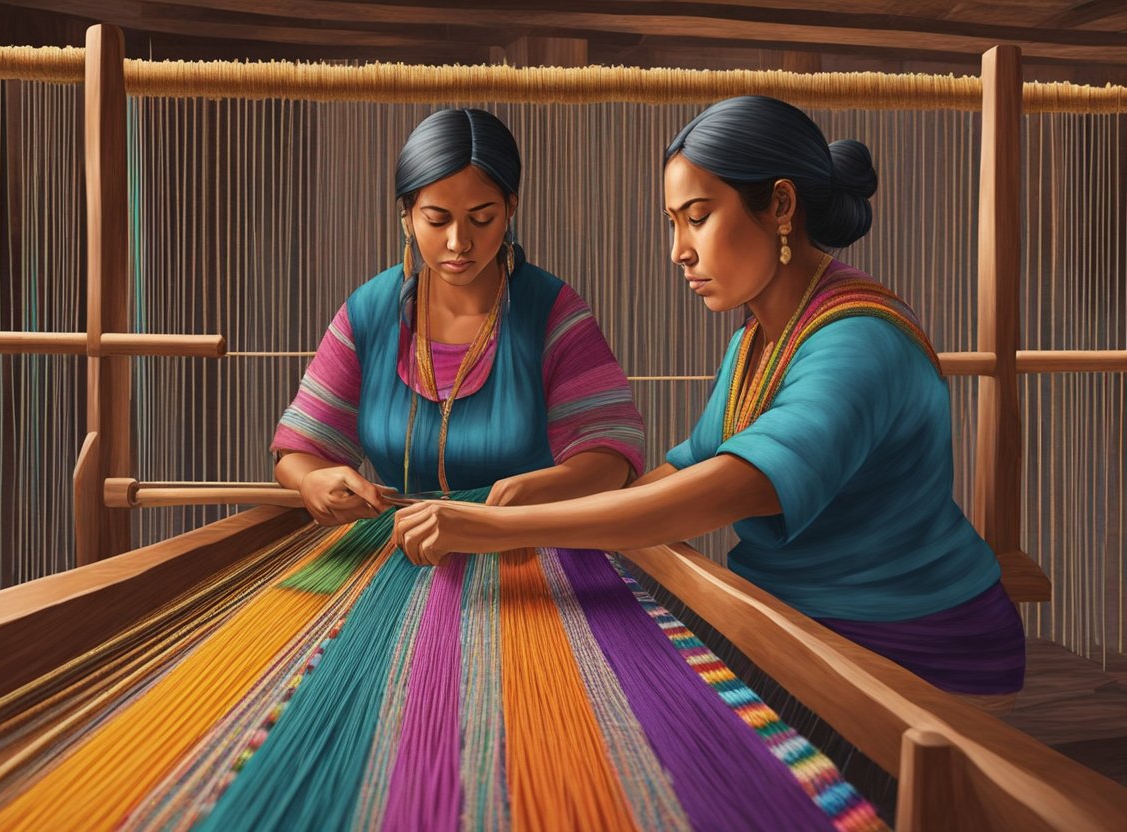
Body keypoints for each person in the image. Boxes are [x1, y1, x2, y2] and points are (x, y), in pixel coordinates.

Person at [392, 95, 1026, 699]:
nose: (679, 251)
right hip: (785, 624)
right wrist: (550, 497)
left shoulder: (858, 343)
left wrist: (496, 527)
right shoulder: (758, 338)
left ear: (781, 204)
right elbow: (682, 470)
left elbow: (710, 494)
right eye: (674, 223)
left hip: (905, 656)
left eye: (697, 217)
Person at [271, 107, 645, 524]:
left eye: (481, 219)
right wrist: (312, 481)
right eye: (437, 219)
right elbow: (300, 451)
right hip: (398, 543)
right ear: (407, 216)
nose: (458, 242)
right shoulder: (370, 311)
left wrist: (540, 490)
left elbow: (613, 456)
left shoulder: (551, 312)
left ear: (510, 209)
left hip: (527, 543)